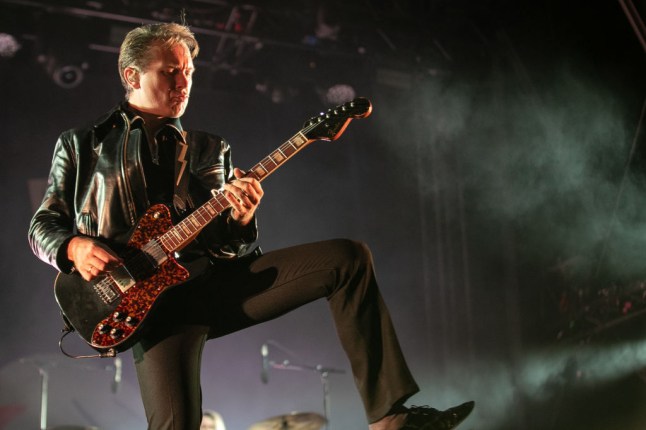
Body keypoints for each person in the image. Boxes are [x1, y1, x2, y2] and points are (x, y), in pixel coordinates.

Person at [27, 22, 474, 430]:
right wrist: (73, 249)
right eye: (170, 72)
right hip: (149, 310)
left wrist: (241, 219)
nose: (183, 83)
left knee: (348, 258)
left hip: (211, 285)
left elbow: (228, 247)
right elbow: (42, 225)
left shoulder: (208, 148)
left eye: (188, 72)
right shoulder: (82, 143)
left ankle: (390, 419)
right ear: (131, 75)